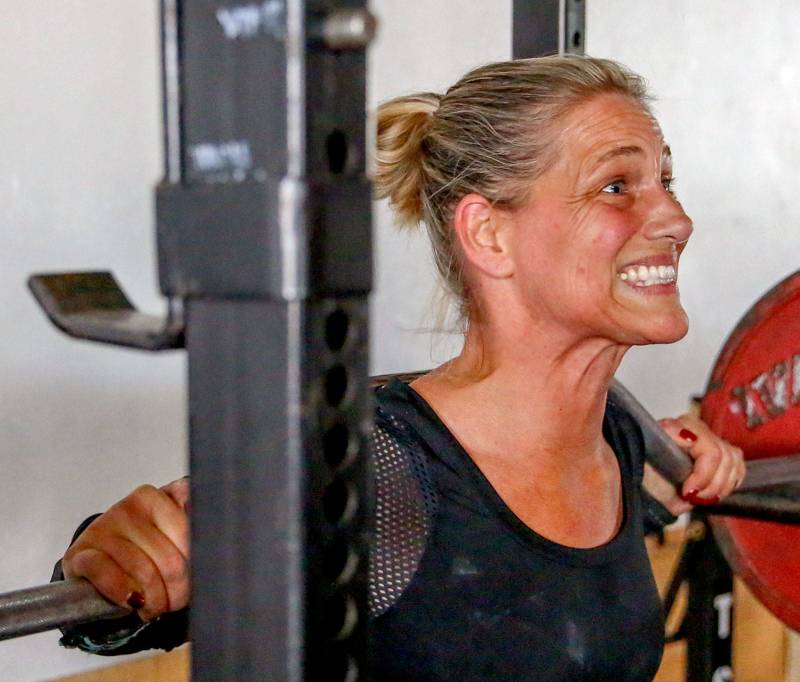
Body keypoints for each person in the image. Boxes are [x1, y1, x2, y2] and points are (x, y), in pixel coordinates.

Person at [53, 55, 745, 680]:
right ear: (489, 234)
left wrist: (685, 465)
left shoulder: (619, 438)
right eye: (618, 186)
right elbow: (125, 604)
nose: (676, 218)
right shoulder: (375, 471)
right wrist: (110, 565)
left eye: (666, 180)